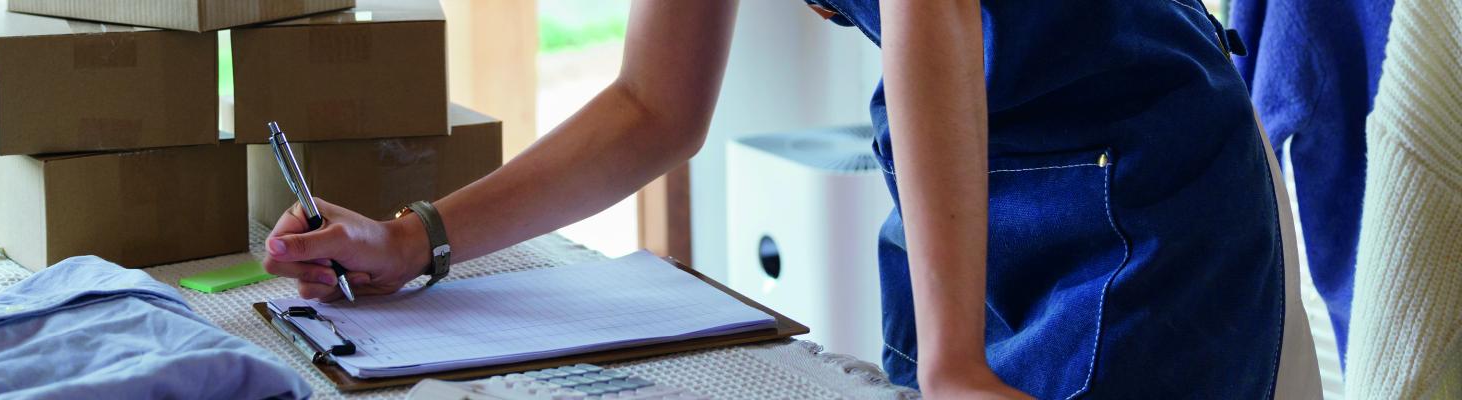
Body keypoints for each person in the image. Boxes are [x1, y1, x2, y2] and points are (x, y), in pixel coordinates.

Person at [262, 1, 1285, 398]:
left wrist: (954, 364)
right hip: (961, 187)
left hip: (1140, 183)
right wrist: (413, 239)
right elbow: (653, 106)